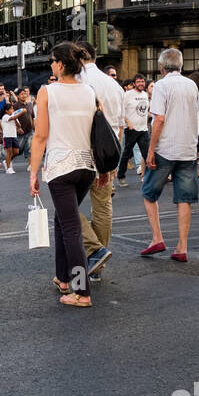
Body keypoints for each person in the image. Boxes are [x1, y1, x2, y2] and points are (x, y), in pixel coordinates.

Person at [30, 41, 98, 307]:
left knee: (71, 229)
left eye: (52, 61)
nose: (50, 65)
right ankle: (62, 277)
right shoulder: (89, 91)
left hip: (61, 166)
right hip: (86, 166)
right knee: (63, 220)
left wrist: (33, 172)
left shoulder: (47, 91)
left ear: (59, 64)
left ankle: (81, 291)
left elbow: (41, 135)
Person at [140, 49, 199, 262]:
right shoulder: (192, 85)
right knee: (184, 199)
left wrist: (150, 150)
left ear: (161, 66)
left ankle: (157, 237)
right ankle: (182, 246)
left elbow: (159, 119)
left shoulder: (162, 86)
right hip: (188, 148)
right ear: (181, 65)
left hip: (166, 148)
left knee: (149, 193)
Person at [75, 41, 124, 281]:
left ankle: (94, 250)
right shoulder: (114, 85)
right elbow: (120, 126)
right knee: (103, 205)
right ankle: (97, 264)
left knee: (67, 206)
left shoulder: (79, 82)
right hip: (110, 151)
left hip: (84, 150)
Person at [118, 73, 152, 185]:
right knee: (126, 154)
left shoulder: (145, 95)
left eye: (142, 81)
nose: (141, 83)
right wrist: (128, 123)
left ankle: (147, 177)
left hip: (143, 130)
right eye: (138, 82)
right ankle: (121, 176)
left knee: (147, 154)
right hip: (131, 130)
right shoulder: (128, 94)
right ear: (134, 83)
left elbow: (145, 111)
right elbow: (121, 111)